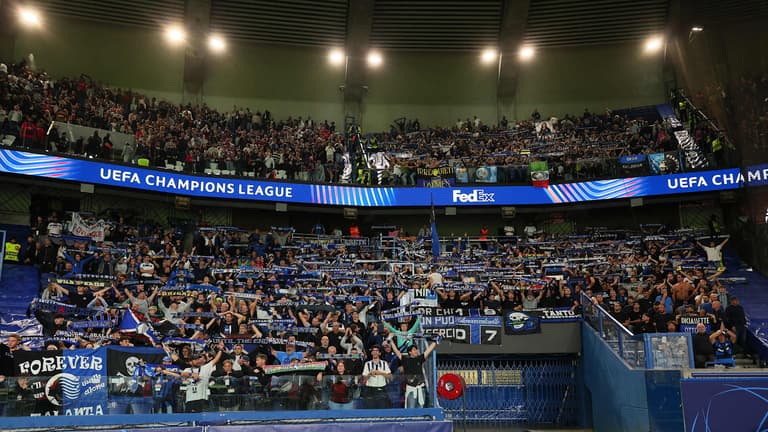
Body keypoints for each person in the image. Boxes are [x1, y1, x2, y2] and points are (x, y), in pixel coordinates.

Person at [391, 337, 438, 408]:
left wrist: (436, 340)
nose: (416, 351)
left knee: (421, 409)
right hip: (411, 389)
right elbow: (396, 351)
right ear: (410, 352)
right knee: (411, 409)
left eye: (416, 349)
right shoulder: (405, 360)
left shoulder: (419, 359)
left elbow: (429, 350)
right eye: (414, 350)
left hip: (421, 387)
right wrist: (391, 340)